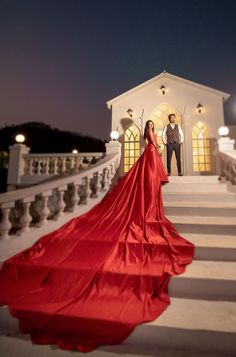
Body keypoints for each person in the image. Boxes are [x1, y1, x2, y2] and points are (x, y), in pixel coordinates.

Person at [0, 120, 194, 352]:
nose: (152, 126)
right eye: (151, 124)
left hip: (152, 153)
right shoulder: (151, 134)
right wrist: (158, 147)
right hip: (153, 153)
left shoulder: (152, 132)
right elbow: (152, 141)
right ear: (150, 126)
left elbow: (152, 140)